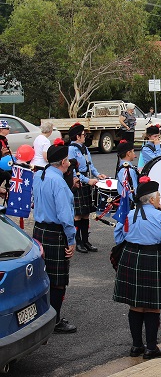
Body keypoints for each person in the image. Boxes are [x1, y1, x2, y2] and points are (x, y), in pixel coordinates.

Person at [112, 177, 161, 359]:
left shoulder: (129, 214)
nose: (160, 199)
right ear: (151, 200)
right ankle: (151, 347)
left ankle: (136, 346)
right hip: (152, 258)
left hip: (130, 257)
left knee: (135, 305)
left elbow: (118, 235)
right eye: (158, 196)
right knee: (152, 307)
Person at [32, 139, 77, 334]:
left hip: (39, 230)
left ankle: (43, 317)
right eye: (67, 160)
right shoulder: (58, 181)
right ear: (63, 162)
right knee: (58, 281)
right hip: (55, 233)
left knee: (44, 276)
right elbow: (65, 216)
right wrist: (72, 239)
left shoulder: (39, 175)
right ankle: (55, 320)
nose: (69, 163)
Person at [68, 123, 107, 253]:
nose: (85, 136)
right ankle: (78, 241)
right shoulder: (72, 149)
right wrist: (87, 180)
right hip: (78, 182)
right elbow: (73, 171)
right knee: (78, 215)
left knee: (85, 213)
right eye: (83, 134)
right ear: (77, 136)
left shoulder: (84, 148)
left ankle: (86, 241)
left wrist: (97, 175)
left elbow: (91, 165)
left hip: (87, 181)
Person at [115, 139, 138, 208]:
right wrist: (137, 201)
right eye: (133, 151)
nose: (134, 154)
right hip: (129, 204)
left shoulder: (123, 167)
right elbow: (132, 189)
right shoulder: (127, 170)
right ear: (128, 153)